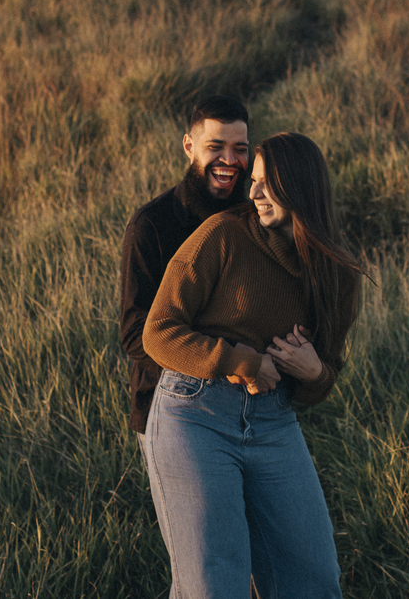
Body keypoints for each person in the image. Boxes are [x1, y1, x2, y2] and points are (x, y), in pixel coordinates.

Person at [141, 132, 366, 598]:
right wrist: (241, 361)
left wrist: (312, 371)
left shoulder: (337, 273)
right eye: (255, 181)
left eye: (268, 183)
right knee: (214, 586)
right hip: (194, 413)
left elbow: (325, 379)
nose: (254, 192)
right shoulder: (224, 235)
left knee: (313, 579)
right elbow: (158, 330)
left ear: (302, 188)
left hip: (274, 422)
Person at [119, 95, 251, 435]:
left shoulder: (255, 217)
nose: (229, 160)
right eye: (216, 147)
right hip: (171, 407)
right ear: (189, 146)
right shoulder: (151, 225)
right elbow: (136, 336)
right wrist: (225, 361)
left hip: (251, 407)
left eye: (240, 149)